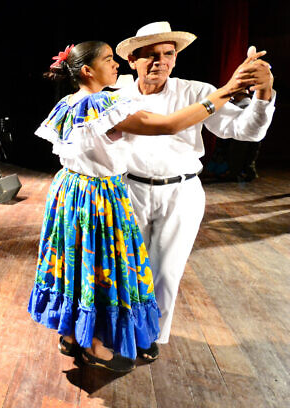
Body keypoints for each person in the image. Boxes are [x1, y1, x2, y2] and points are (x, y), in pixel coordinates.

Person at [29, 41, 257, 372]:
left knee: (75, 265)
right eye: (109, 59)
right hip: (96, 195)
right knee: (101, 268)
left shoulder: (69, 102)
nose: (116, 64)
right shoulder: (102, 105)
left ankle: (72, 333)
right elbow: (168, 125)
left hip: (69, 190)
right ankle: (94, 343)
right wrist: (225, 92)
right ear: (88, 70)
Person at [115, 22, 276, 350]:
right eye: (151, 55)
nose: (161, 61)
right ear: (132, 59)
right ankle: (122, 332)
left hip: (182, 192)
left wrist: (263, 94)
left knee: (166, 272)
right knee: (126, 270)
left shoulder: (196, 92)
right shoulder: (117, 96)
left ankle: (150, 338)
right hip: (129, 190)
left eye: (168, 53)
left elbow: (246, 131)